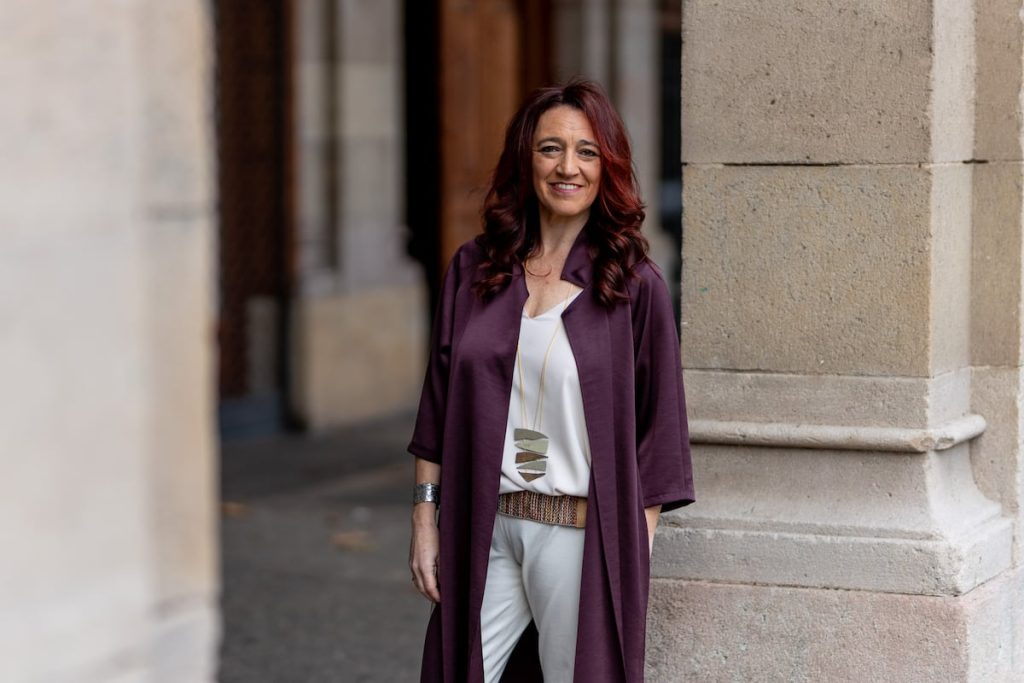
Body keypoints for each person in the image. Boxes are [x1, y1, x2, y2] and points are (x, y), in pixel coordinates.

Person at [407, 79, 694, 683]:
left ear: (607, 166)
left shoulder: (633, 286)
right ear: (526, 159)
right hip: (484, 525)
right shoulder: (475, 268)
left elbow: (659, 435)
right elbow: (437, 406)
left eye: (587, 151)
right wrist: (425, 520)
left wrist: (630, 556)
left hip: (579, 537)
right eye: (550, 149)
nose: (568, 167)